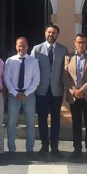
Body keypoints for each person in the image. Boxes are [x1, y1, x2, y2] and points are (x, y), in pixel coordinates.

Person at [31, 24, 68, 157]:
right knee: (42, 119)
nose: (51, 35)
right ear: (45, 33)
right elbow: (32, 69)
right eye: (49, 32)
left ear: (57, 35)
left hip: (56, 90)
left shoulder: (63, 50)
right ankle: (44, 146)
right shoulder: (36, 49)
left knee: (56, 120)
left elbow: (65, 70)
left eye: (54, 33)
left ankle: (55, 147)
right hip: (41, 90)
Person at [64, 33, 87, 159]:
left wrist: (82, 90)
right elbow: (65, 77)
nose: (81, 44)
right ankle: (77, 149)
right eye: (79, 42)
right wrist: (74, 90)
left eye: (83, 42)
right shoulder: (68, 57)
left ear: (86, 43)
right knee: (76, 124)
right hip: (74, 96)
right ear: (75, 42)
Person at [4, 36, 40, 155]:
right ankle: (11, 149)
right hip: (13, 95)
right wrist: (15, 93)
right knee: (11, 123)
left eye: (24, 45)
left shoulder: (33, 61)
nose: (21, 48)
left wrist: (25, 93)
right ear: (16, 46)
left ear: (27, 47)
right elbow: (6, 78)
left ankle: (29, 149)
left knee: (30, 123)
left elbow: (36, 80)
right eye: (19, 45)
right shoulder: (10, 61)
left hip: (28, 96)